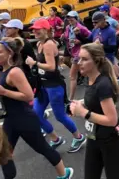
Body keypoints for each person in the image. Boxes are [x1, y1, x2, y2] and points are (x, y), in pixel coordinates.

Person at [0, 38, 74, 179]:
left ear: (10, 53)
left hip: (24, 119)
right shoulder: (3, 71)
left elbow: (28, 96)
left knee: (42, 148)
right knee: (3, 152)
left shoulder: (15, 71)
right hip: (10, 120)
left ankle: (64, 173)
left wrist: (4, 92)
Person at [26, 19, 86, 152]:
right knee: (36, 114)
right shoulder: (40, 44)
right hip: (43, 84)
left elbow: (52, 67)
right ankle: (55, 139)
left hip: (53, 85)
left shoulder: (48, 44)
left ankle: (78, 137)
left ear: (46, 30)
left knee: (60, 115)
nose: (35, 32)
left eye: (38, 29)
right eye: (33, 29)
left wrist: (34, 63)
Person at [70, 43, 119, 179]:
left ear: (96, 61)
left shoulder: (103, 84)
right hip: (94, 137)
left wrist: (83, 113)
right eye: (79, 59)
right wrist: (80, 104)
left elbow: (112, 120)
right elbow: (95, 100)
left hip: (110, 139)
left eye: (84, 59)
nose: (79, 63)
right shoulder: (91, 80)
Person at [61, 11, 91, 99]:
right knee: (86, 73)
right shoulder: (68, 27)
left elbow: (91, 38)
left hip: (80, 53)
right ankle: (92, 87)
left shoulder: (81, 28)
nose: (70, 20)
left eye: (72, 18)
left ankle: (70, 99)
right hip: (72, 51)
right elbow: (67, 37)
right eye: (68, 18)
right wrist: (63, 36)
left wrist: (80, 41)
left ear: (76, 19)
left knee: (72, 76)